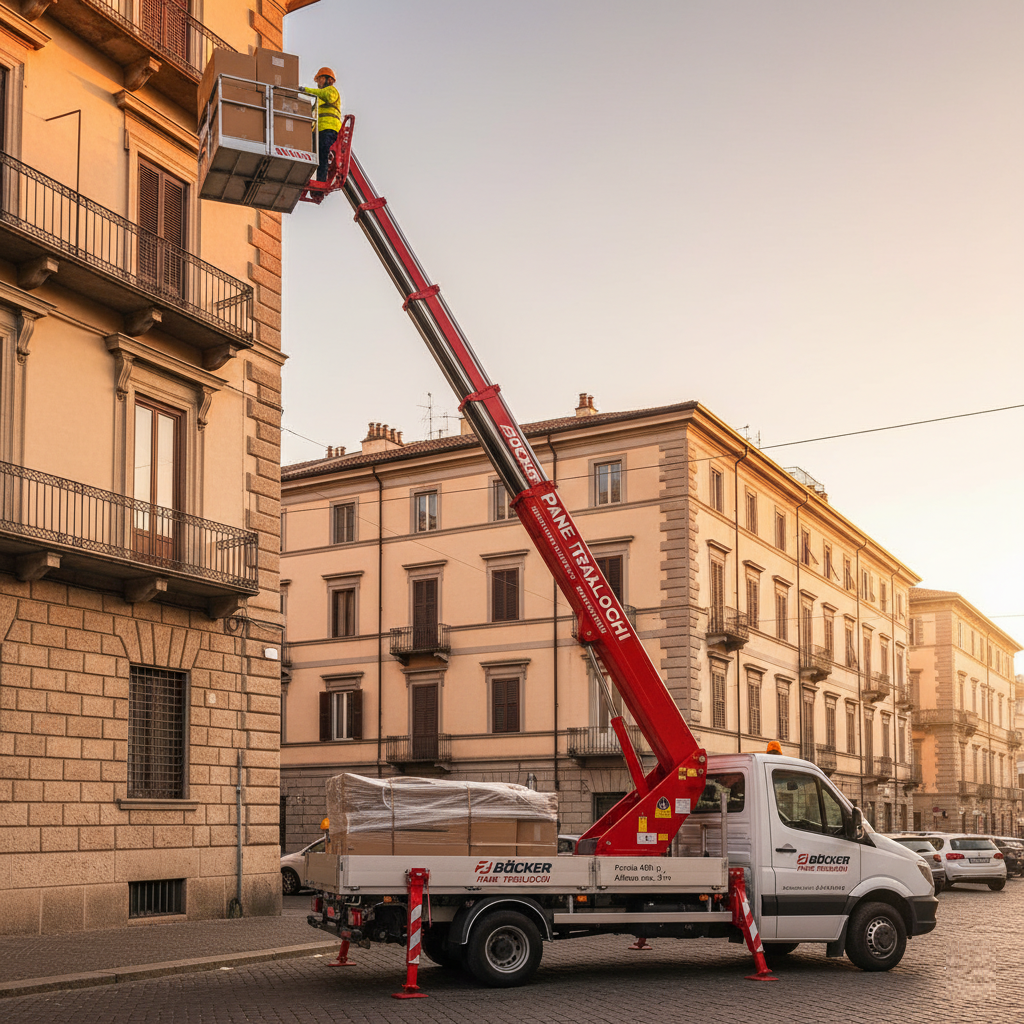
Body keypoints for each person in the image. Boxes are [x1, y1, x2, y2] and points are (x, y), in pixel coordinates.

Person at [302, 66, 342, 182]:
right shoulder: (320, 98)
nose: (318, 82)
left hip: (330, 129)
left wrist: (305, 90)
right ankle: (312, 178)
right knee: (314, 154)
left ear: (328, 79)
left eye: (320, 79)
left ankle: (321, 181)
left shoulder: (331, 91)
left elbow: (324, 95)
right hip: (320, 130)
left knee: (323, 154)